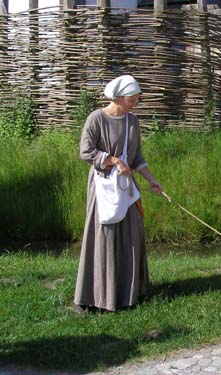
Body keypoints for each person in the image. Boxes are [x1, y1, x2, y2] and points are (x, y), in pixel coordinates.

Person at [74, 75, 162, 312]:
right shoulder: (96, 119)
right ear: (120, 97)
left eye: (137, 99)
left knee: (132, 235)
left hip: (126, 187)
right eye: (133, 99)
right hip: (103, 187)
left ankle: (129, 292)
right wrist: (112, 160)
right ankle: (99, 296)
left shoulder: (132, 121)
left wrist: (152, 181)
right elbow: (86, 152)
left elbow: (137, 159)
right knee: (105, 236)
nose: (136, 103)